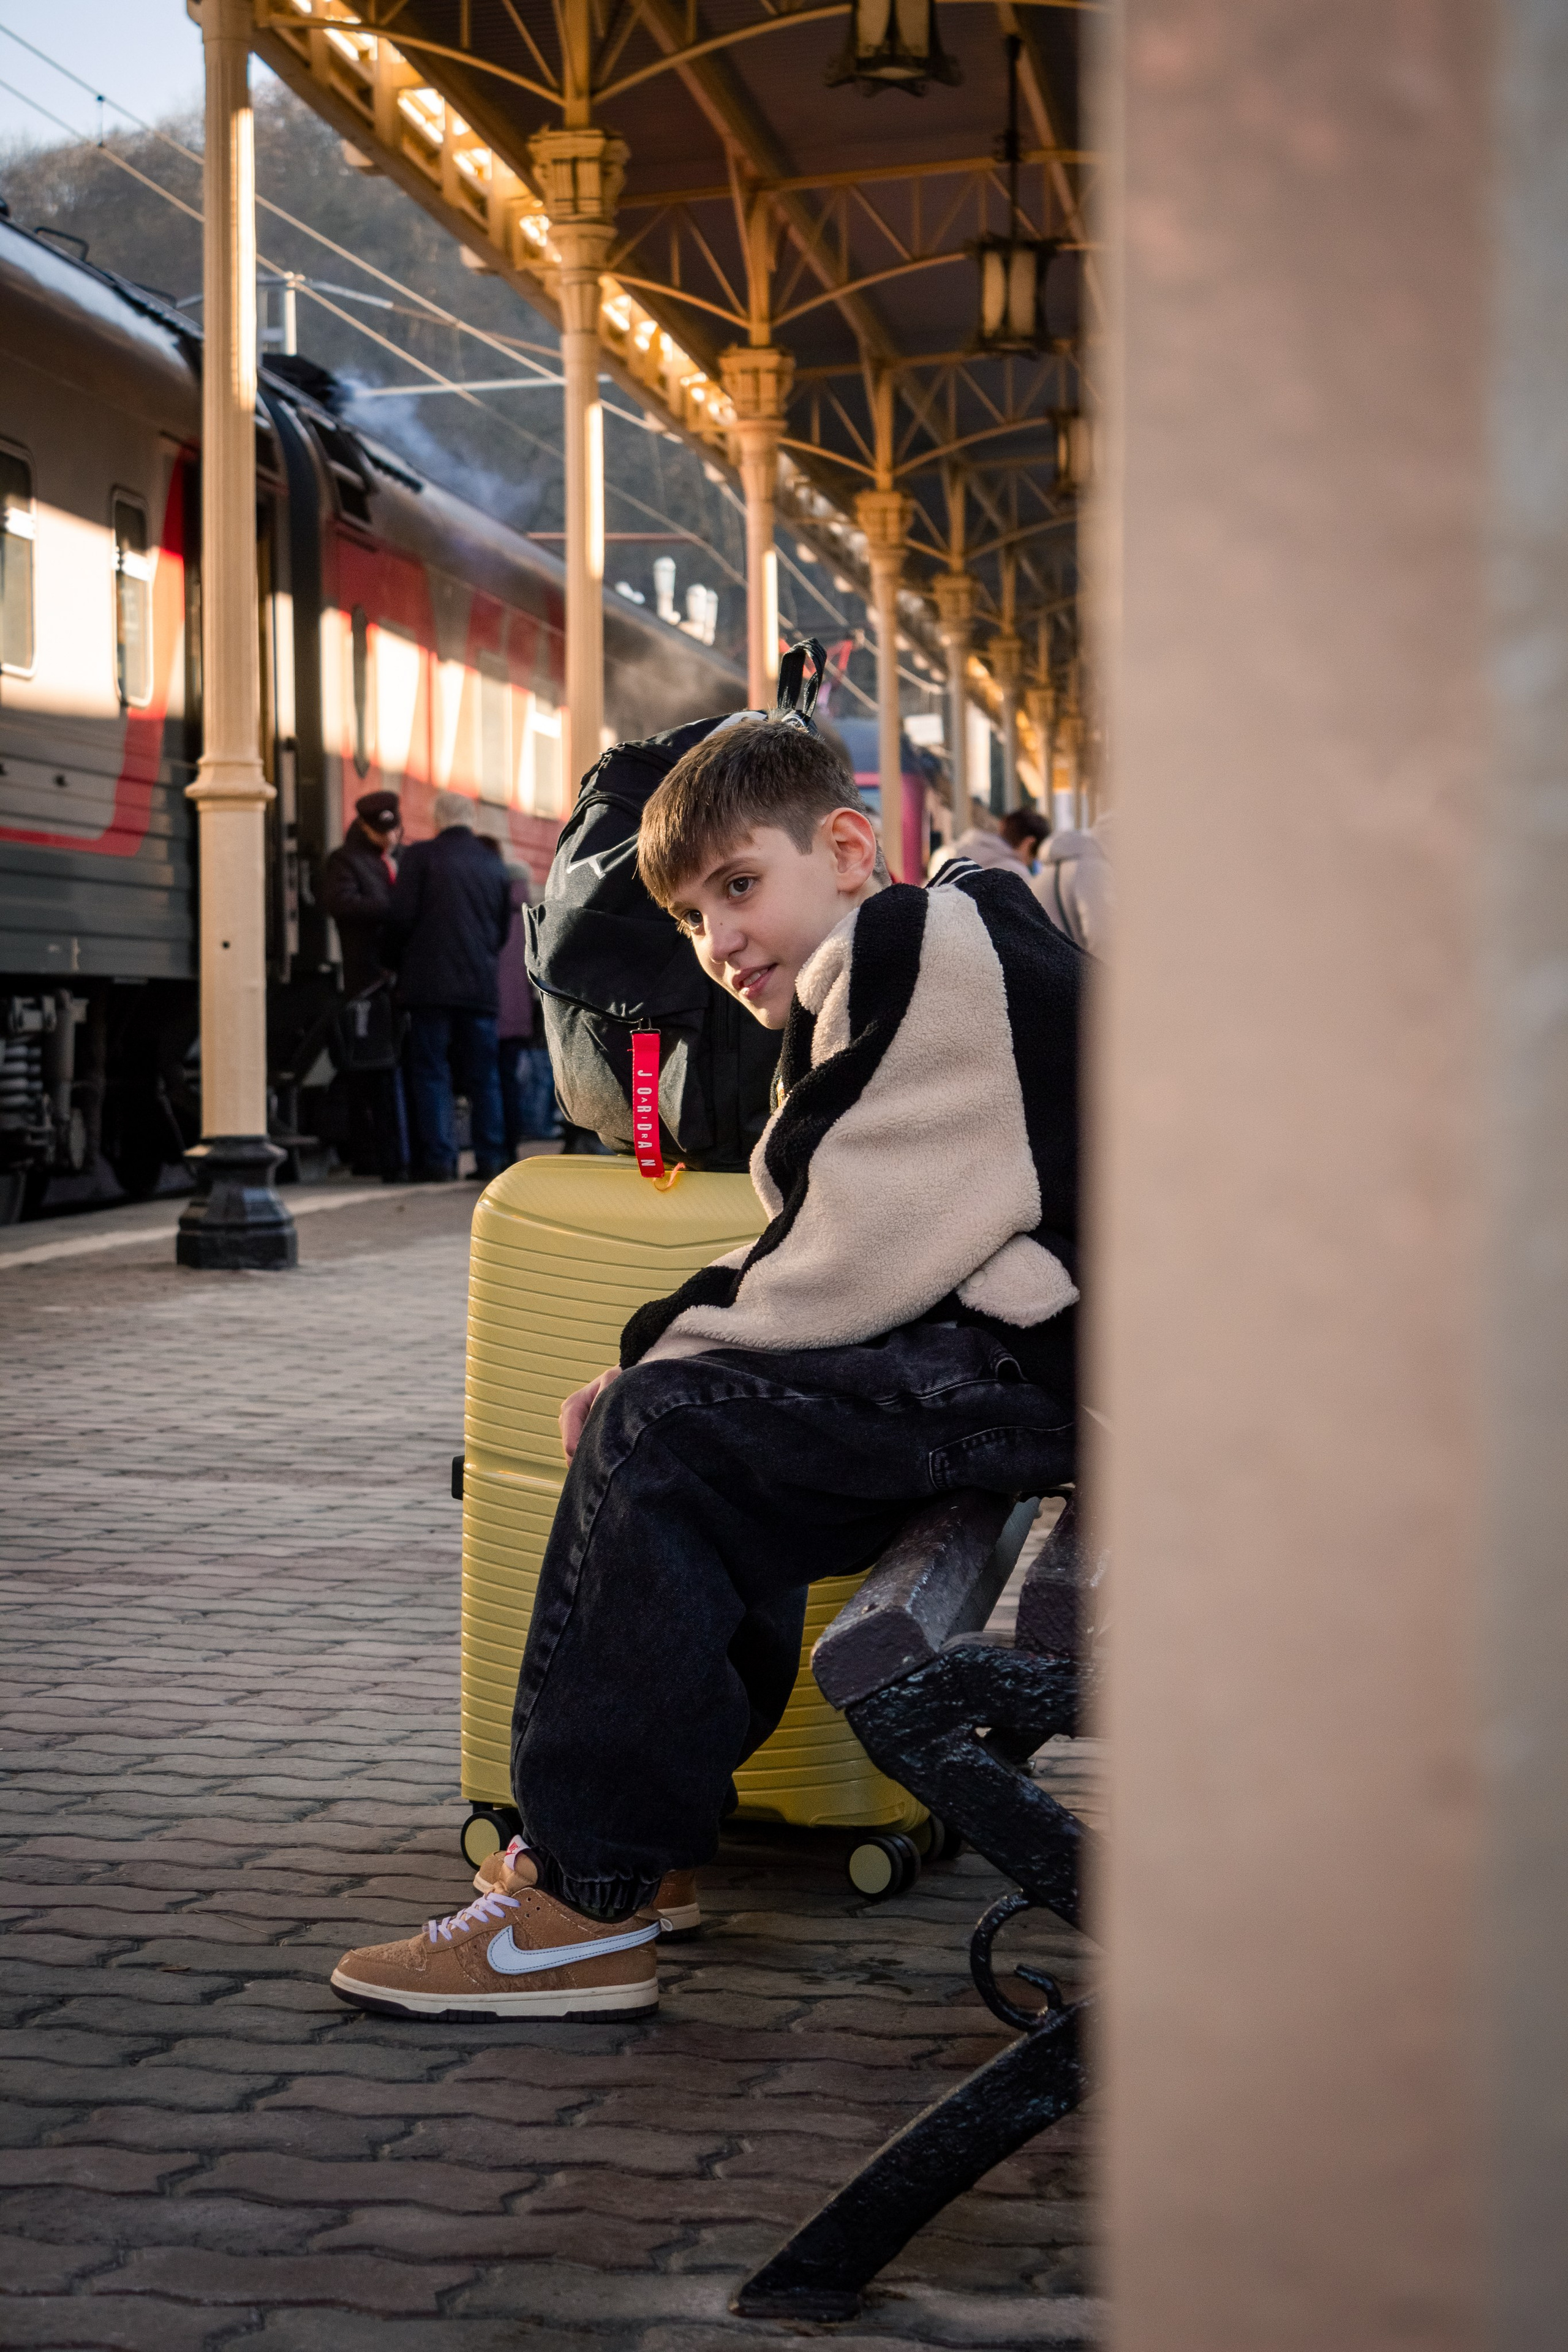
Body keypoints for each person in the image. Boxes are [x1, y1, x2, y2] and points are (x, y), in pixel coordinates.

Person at [331, 722, 1084, 2019]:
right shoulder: (905, 955)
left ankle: (580, 1898)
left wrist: (656, 1360)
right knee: (686, 1426)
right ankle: (635, 1854)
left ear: (845, 848)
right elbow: (839, 1230)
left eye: (737, 887)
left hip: (1044, 1365)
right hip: (1046, 1354)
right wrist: (675, 1351)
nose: (715, 941)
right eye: (686, 918)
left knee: (663, 1433)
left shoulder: (911, 946)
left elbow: (847, 1247)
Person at [380, 791, 513, 1184]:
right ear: (471, 820)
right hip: (479, 987)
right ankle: (491, 1158)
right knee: (484, 1075)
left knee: (432, 1071)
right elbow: (501, 932)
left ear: (436, 818)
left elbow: (400, 919)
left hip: (429, 987)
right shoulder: (493, 863)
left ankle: (440, 1160)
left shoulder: (420, 857)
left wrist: (392, 963)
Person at [321, 790, 409, 1183]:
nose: (390, 839)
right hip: (366, 978)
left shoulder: (403, 858)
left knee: (397, 1068)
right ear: (363, 826)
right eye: (381, 832)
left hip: (400, 976)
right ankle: (368, 1154)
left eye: (394, 830)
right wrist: (392, 908)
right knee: (368, 1070)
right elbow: (339, 904)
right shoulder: (344, 861)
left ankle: (395, 1150)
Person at [490, 851, 560, 1151]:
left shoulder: (490, 911)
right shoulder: (534, 914)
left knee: (489, 1081)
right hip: (522, 1013)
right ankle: (513, 1142)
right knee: (512, 1079)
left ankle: (497, 1146)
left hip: (491, 1010)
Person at [1033, 811, 1112, 957]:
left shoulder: (1052, 867)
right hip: (1077, 973)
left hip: (1049, 965)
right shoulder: (1092, 868)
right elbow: (1101, 937)